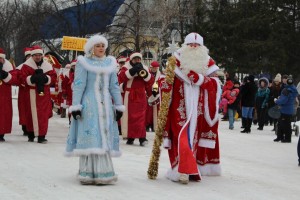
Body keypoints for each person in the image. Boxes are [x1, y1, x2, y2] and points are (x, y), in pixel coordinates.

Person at [162, 32, 221, 184]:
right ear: (185, 46)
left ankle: (190, 168)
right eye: (190, 44)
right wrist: (165, 85)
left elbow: (216, 84)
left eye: (197, 45)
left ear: (202, 47)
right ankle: (182, 169)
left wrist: (201, 79)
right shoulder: (175, 61)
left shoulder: (208, 62)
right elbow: (165, 81)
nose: (194, 47)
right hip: (178, 107)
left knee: (193, 138)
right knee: (181, 135)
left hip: (199, 109)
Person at [65, 35, 124, 185]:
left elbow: (114, 86)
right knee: (92, 135)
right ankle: (88, 172)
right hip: (89, 103)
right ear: (91, 48)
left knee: (104, 135)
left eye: (103, 45)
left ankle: (103, 172)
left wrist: (118, 105)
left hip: (106, 106)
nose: (101, 48)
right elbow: (78, 84)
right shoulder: (84, 63)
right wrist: (76, 106)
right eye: (98, 46)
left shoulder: (110, 63)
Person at [20, 45, 57, 143]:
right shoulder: (26, 66)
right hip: (31, 93)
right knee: (30, 114)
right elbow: (22, 78)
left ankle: (41, 136)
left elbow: (53, 77)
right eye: (36, 55)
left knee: (43, 115)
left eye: (39, 55)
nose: (38, 57)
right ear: (32, 56)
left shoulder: (47, 65)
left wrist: (46, 79)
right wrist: (31, 79)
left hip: (43, 94)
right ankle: (31, 134)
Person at [118, 52, 154, 146]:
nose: (137, 60)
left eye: (138, 59)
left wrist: (145, 74)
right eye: (135, 59)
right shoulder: (126, 68)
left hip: (141, 95)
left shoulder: (145, 68)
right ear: (131, 60)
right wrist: (132, 71)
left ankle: (142, 137)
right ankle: (130, 137)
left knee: (141, 117)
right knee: (130, 117)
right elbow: (121, 77)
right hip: (129, 95)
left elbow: (150, 81)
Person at [0, 48, 18, 142]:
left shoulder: (8, 66)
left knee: (3, 114)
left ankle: (1, 133)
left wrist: (5, 75)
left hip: (4, 95)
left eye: (0, 58)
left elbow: (15, 80)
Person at [273, 75, 298, 143]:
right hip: (289, 109)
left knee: (284, 124)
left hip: (284, 110)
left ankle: (287, 138)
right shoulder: (294, 89)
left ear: (287, 83)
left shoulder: (286, 90)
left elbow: (283, 101)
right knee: (283, 123)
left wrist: (276, 100)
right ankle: (280, 137)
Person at [16, 47, 32, 136]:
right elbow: (16, 78)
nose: (29, 58)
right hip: (23, 91)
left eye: (31, 56)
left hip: (34, 91)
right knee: (24, 109)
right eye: (28, 56)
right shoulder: (20, 67)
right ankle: (25, 127)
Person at [145, 60, 162, 132]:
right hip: (148, 94)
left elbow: (158, 83)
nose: (154, 69)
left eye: (156, 68)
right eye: (153, 68)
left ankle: (154, 125)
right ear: (151, 68)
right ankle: (147, 125)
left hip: (156, 94)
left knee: (156, 111)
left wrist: (156, 91)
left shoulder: (159, 75)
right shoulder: (147, 74)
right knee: (148, 112)